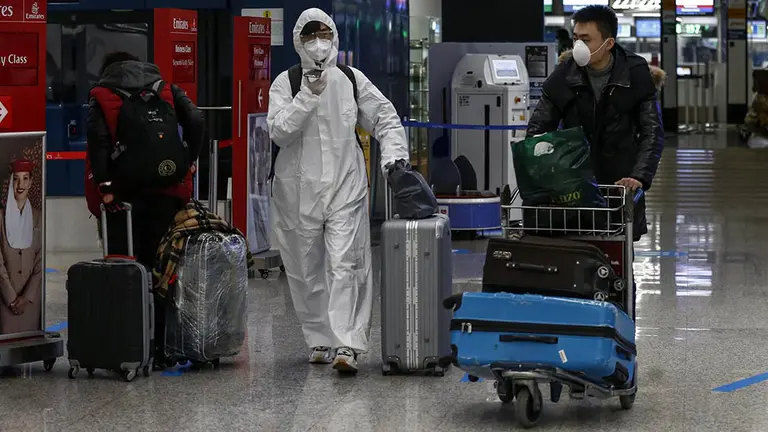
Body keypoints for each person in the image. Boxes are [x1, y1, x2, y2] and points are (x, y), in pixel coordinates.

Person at [267, 8, 409, 374]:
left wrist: (394, 158)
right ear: (298, 40)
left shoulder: (350, 78)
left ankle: (347, 343)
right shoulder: (286, 82)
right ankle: (319, 338)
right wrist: (306, 97)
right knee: (304, 269)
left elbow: (385, 118)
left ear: (334, 36)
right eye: (310, 34)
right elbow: (279, 132)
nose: (318, 41)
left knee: (347, 263)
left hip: (345, 186)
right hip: (297, 192)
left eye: (324, 33)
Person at [526, 5, 664, 317]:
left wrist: (638, 177)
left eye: (586, 39)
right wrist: (548, 166)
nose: (578, 45)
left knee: (615, 267)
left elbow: (652, 133)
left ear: (609, 43)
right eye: (575, 37)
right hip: (571, 188)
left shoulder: (636, 75)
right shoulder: (564, 75)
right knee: (568, 267)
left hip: (618, 188)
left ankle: (619, 326)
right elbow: (538, 129)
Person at [85, 51, 205, 369]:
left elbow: (97, 141)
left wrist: (106, 188)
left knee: (126, 268)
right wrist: (188, 160)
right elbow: (196, 119)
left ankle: (131, 345)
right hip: (167, 193)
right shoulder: (164, 88)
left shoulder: (102, 94)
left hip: (125, 198)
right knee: (163, 268)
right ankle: (164, 347)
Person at [0, 160, 43, 336]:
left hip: (30, 301)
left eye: (25, 178)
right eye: (16, 179)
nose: (20, 184)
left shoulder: (38, 217)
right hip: (5, 300)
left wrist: (27, 297)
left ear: (31, 182)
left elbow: (40, 260)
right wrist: (11, 298)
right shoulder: (0, 218)